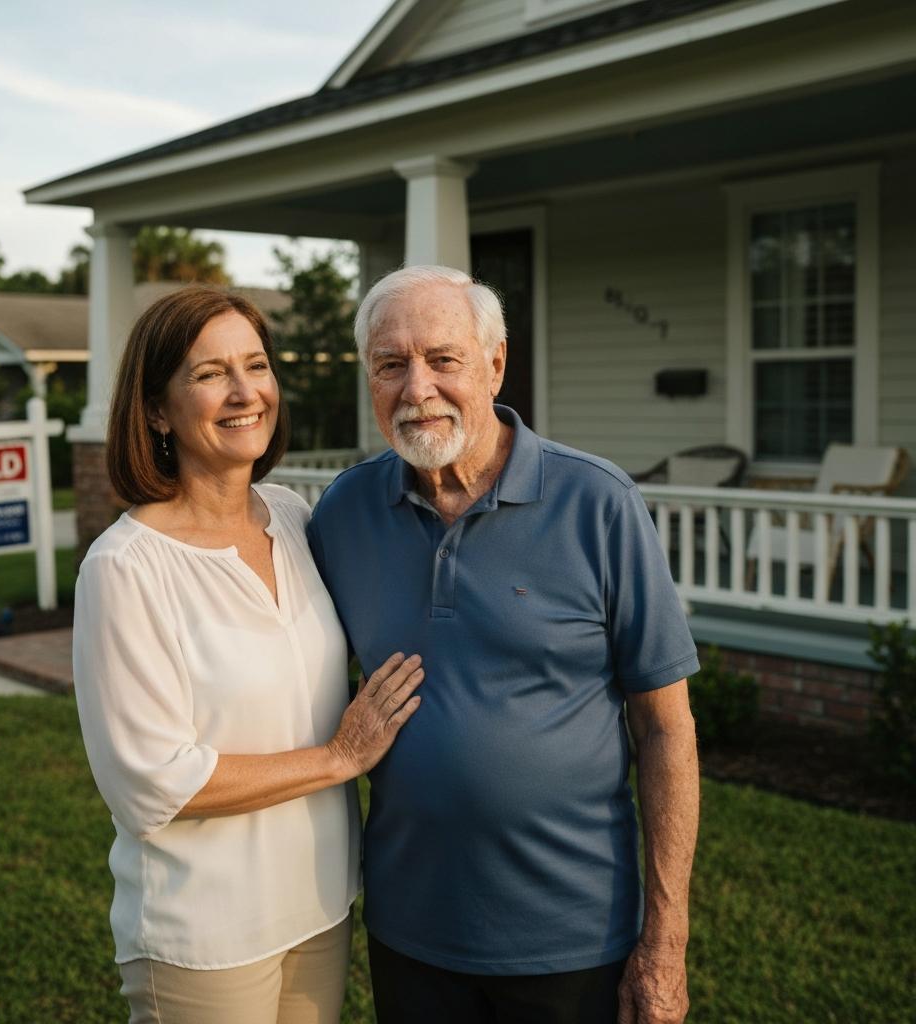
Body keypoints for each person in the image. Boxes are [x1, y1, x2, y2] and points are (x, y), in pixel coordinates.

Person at [307, 265, 700, 1024]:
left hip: (574, 940)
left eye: (442, 359)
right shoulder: (345, 512)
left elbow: (665, 728)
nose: (416, 387)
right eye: (390, 365)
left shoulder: (598, 503)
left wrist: (667, 940)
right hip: (410, 933)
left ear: (495, 363)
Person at [71, 285, 424, 1024]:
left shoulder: (295, 516)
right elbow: (148, 785)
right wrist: (337, 758)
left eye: (256, 365)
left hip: (321, 903)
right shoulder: (128, 566)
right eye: (208, 374)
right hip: (207, 930)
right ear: (158, 409)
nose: (244, 392)